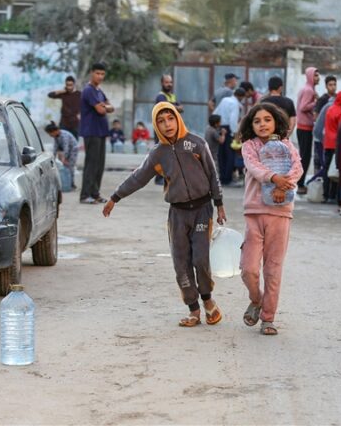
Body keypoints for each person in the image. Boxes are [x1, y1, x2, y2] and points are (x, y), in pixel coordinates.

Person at [102, 102, 226, 327]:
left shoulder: (197, 143)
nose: (167, 124)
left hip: (201, 211)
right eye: (161, 121)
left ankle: (208, 300)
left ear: (177, 118)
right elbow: (138, 177)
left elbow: (212, 173)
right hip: (177, 215)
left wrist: (219, 204)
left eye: (170, 118)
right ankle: (194, 309)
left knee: (200, 259)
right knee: (181, 263)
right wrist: (115, 197)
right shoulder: (158, 154)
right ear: (156, 125)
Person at [238, 103, 303, 336]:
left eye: (267, 119)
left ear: (276, 122)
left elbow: (297, 168)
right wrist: (274, 178)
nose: (262, 124)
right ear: (251, 125)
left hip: (281, 212)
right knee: (249, 269)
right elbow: (254, 168)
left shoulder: (287, 145)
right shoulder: (249, 146)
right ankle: (256, 300)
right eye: (257, 121)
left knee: (273, 269)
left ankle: (268, 318)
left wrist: (284, 185)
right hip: (254, 213)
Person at [79, 63, 114, 204]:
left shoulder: (99, 91)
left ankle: (95, 193)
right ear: (91, 73)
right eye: (97, 73)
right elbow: (101, 110)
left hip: (101, 132)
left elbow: (110, 107)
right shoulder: (89, 90)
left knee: (99, 165)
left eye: (102, 74)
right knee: (91, 164)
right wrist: (105, 107)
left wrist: (105, 106)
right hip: (91, 131)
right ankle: (85, 195)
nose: (100, 76)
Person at [214, 87, 246, 185]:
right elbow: (233, 120)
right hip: (229, 129)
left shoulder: (224, 100)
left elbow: (215, 113)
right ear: (241, 97)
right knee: (230, 155)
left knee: (221, 154)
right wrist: (235, 134)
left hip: (220, 127)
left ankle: (222, 178)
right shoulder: (235, 104)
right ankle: (228, 180)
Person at [295, 67, 320, 194]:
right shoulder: (309, 90)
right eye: (315, 75)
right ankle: (300, 184)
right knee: (305, 157)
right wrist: (316, 102)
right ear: (310, 76)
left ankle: (300, 182)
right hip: (305, 127)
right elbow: (303, 107)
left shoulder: (307, 88)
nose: (318, 78)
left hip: (302, 126)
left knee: (303, 155)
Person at [323, 91, 341, 203]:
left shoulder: (330, 108)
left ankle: (326, 194)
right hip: (335, 144)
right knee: (335, 171)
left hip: (327, 142)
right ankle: (333, 196)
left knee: (327, 170)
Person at [45, 122, 79, 190]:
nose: (50, 135)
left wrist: (65, 159)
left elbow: (66, 148)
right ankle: (66, 183)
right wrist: (53, 158)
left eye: (50, 133)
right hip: (66, 151)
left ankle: (71, 184)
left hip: (73, 151)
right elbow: (55, 147)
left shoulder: (64, 135)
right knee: (65, 167)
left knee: (70, 167)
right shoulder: (56, 136)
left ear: (55, 131)